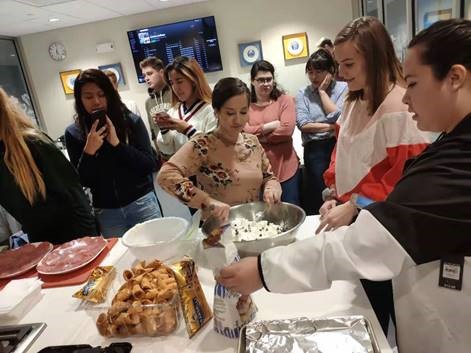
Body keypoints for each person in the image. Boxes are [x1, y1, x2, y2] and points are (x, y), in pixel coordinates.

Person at [218, 19, 471, 353]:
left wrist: (265, 270)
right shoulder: (445, 138)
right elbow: (347, 154)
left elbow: (368, 242)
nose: (407, 98)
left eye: (412, 83)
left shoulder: (455, 163)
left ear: (454, 78)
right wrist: (336, 194)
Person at [317, 16, 429, 335]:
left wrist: (355, 204)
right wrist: (333, 195)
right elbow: (342, 153)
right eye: (340, 64)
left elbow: (407, 182)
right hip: (357, 221)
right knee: (364, 304)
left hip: (387, 228)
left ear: (375, 57)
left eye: (349, 64)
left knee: (387, 310)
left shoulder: (398, 107)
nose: (341, 73)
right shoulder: (354, 99)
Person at [157, 77, 281, 221]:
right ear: (216, 112)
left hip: (252, 222)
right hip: (218, 228)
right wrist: (207, 201)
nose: (238, 120)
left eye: (243, 112)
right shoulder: (203, 144)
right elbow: (166, 176)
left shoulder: (252, 142)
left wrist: (272, 188)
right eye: (230, 113)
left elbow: (269, 177)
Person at [65, 69, 161, 237]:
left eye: (101, 94)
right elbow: (81, 181)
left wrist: (118, 145)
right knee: (121, 260)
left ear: (109, 94)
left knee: (158, 252)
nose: (96, 101)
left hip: (141, 202)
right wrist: (89, 151)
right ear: (80, 100)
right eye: (88, 97)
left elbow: (150, 165)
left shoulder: (131, 121)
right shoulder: (74, 133)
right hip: (107, 212)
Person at [0, 87, 97, 244]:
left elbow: (76, 198)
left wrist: (89, 243)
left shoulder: (33, 143)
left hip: (75, 239)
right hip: (41, 244)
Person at [296, 49, 348, 214]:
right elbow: (303, 124)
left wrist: (322, 92)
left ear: (331, 71)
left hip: (339, 144)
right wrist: (332, 127)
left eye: (319, 72)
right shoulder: (303, 93)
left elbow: (340, 117)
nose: (314, 77)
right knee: (320, 191)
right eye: (310, 72)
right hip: (315, 147)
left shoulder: (343, 88)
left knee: (342, 188)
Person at [244, 60, 300, 205]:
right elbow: (244, 133)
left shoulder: (285, 100)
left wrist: (259, 137)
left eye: (269, 79)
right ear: (252, 81)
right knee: (266, 216)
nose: (266, 83)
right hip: (258, 173)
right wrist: (269, 126)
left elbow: (287, 130)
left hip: (286, 168)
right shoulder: (245, 105)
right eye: (260, 80)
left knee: (290, 210)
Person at [154, 56, 216, 160]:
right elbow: (167, 150)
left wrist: (187, 130)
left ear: (193, 80)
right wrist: (164, 128)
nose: (175, 88)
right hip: (182, 172)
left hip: (206, 173)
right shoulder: (173, 111)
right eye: (171, 83)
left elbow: (214, 149)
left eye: (179, 81)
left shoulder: (212, 110)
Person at [139, 57, 172, 152]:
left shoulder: (174, 93)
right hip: (163, 154)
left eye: (149, 74)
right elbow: (153, 130)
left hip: (181, 149)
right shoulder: (148, 102)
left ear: (161, 72)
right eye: (144, 75)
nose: (146, 78)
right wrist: (158, 151)